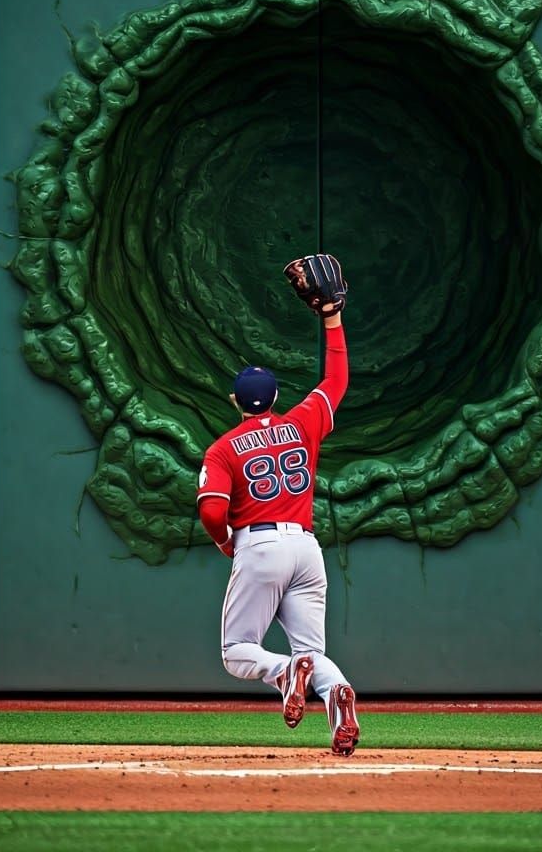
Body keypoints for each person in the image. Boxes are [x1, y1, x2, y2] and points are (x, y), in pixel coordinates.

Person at [197, 267, 359, 756]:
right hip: (306, 548)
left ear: (236, 402)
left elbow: (211, 511)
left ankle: (285, 672)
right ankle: (338, 700)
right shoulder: (302, 421)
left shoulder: (223, 448)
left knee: (236, 652)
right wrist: (331, 318)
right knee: (314, 651)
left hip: (260, 544)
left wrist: (226, 541)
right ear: (274, 399)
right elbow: (336, 379)